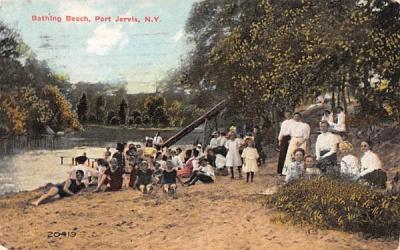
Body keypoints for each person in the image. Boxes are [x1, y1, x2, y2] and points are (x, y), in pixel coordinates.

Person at [277, 110, 294, 175]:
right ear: (285, 115)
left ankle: (289, 171)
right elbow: (281, 131)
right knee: (282, 154)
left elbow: (294, 131)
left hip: (290, 137)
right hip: (284, 138)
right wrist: (279, 140)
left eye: (289, 114)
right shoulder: (284, 122)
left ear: (291, 114)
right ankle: (281, 171)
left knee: (289, 154)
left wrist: (292, 139)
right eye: (286, 114)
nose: (287, 116)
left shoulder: (293, 122)